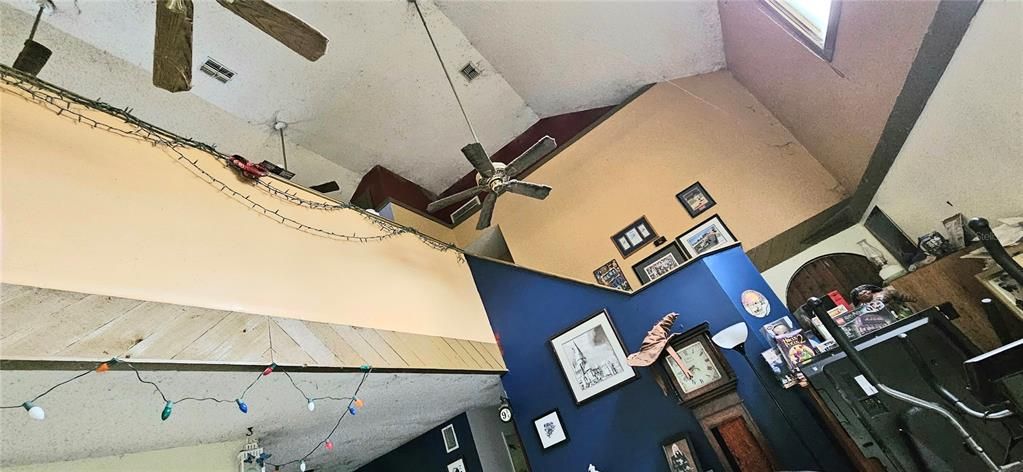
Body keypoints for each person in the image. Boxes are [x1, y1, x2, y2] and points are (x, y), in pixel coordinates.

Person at [850, 284, 917, 317]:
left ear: (870, 291)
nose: (865, 295)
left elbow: (902, 297)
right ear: (858, 298)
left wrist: (912, 299)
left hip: (901, 312)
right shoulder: (861, 308)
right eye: (861, 295)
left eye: (865, 292)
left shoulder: (886, 293)